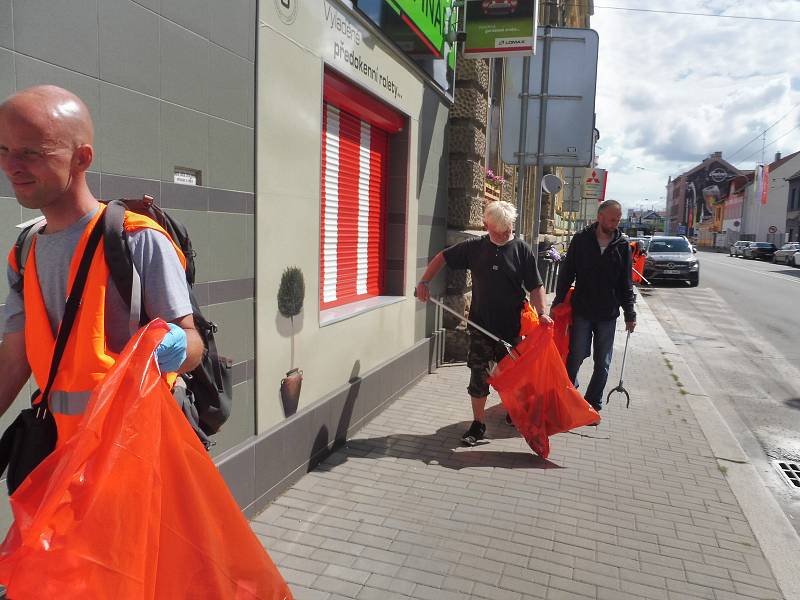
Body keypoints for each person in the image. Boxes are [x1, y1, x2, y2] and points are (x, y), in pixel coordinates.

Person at [0, 85, 203, 448]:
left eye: (31, 152)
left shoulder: (137, 239)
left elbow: (193, 344)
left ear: (82, 158)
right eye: (4, 150)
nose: (12, 166)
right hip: (60, 455)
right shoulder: (24, 251)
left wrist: (171, 347)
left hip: (133, 454)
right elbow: (14, 361)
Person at [416, 200, 553, 445]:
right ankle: (478, 424)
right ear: (486, 225)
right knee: (478, 377)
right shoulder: (474, 247)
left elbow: (536, 286)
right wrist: (423, 282)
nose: (501, 234)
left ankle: (514, 411)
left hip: (512, 329)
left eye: (506, 229)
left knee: (513, 378)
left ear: (512, 224)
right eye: (495, 229)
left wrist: (542, 312)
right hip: (480, 327)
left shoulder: (521, 250)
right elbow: (442, 257)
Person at [551, 199, 636, 416]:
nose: (615, 223)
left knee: (603, 362)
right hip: (583, 309)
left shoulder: (623, 245)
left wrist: (630, 313)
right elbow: (567, 273)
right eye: (611, 219)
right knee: (576, 355)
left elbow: (626, 282)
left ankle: (592, 404)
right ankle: (568, 398)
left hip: (608, 313)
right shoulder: (581, 240)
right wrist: (558, 301)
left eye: (618, 219)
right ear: (600, 217)